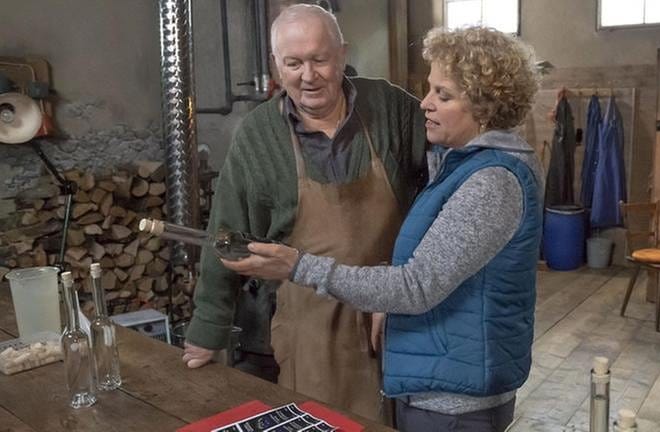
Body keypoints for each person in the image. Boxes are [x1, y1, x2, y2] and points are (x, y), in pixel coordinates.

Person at [224, 26, 543, 432]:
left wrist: (298, 267)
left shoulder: (491, 182)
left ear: (485, 106)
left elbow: (416, 287)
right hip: (433, 377)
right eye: (429, 89)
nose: (424, 104)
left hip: (455, 402)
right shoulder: (460, 164)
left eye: (443, 95)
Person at [182, 4, 427, 422]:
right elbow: (228, 235)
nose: (307, 76)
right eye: (293, 63)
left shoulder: (393, 109)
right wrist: (209, 329)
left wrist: (404, 272)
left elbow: (438, 196)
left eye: (319, 59)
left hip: (397, 313)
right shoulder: (259, 135)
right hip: (312, 326)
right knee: (322, 423)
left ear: (342, 54)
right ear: (276, 64)